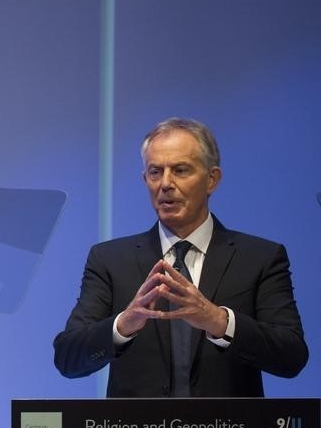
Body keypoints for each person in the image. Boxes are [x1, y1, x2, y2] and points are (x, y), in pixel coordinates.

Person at [53, 117, 308, 399]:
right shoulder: (109, 260)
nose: (165, 184)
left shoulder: (260, 257)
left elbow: (291, 356)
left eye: (180, 170)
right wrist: (123, 325)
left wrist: (218, 321)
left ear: (212, 179)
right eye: (155, 172)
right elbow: (68, 359)